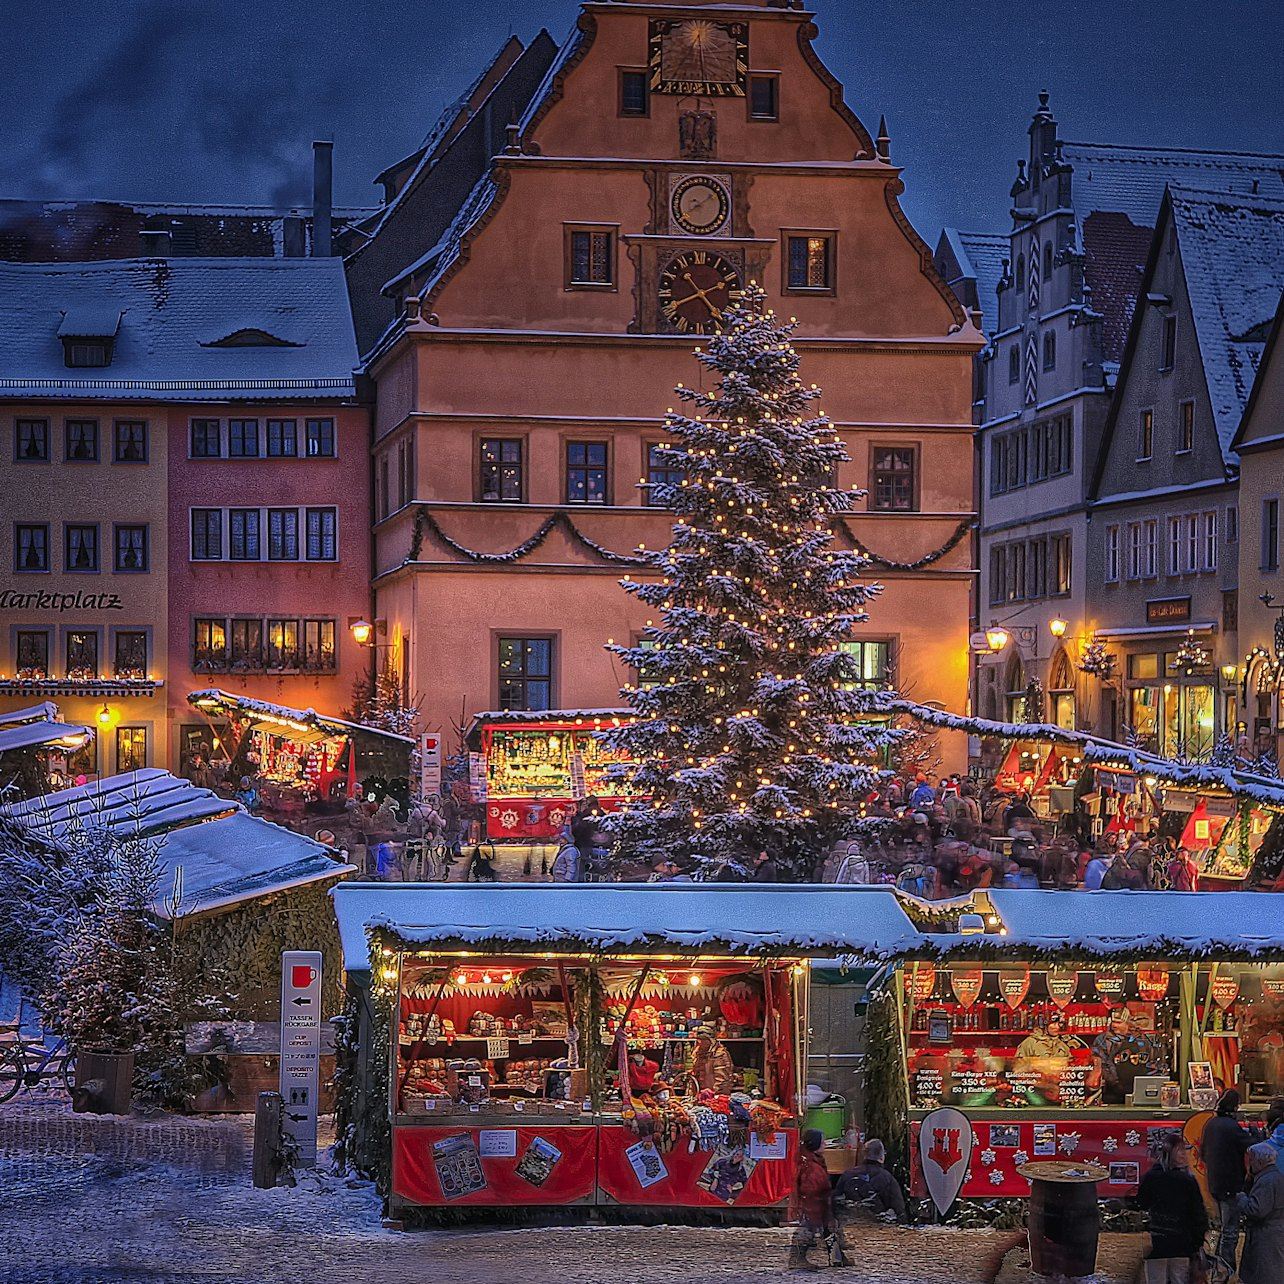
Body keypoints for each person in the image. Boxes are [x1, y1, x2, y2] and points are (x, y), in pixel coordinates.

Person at [1136, 1132, 1209, 1284]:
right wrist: (1198, 1241)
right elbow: (1198, 1213)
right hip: (1181, 1240)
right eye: (1181, 1150)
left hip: (1157, 1238)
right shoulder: (1187, 1180)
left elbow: (1141, 1203)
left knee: (1156, 1278)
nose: (1184, 1155)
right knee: (1179, 1278)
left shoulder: (1151, 1177)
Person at [1204, 1089, 1253, 1277]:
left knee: (1221, 1226)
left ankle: (1218, 1265)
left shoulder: (1211, 1124)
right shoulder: (1232, 1127)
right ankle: (1225, 1269)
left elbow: (1203, 1154)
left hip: (1214, 1183)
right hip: (1229, 1185)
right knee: (1230, 1229)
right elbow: (1251, 1144)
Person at [788, 1128, 839, 1272]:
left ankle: (837, 1257)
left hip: (818, 1202)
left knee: (829, 1228)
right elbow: (810, 1188)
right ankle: (797, 1258)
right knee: (808, 1230)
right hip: (813, 1204)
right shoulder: (810, 1165)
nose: (825, 1144)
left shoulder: (812, 1161)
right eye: (822, 1141)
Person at [1237, 1142, 1284, 1284]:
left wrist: (1242, 1198)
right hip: (1275, 1233)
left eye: (1250, 1159)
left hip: (1266, 1237)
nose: (1249, 1164)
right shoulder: (1276, 1177)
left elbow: (1256, 1210)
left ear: (1259, 1161)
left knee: (1266, 1274)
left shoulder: (1266, 1181)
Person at [835, 1138, 906, 1223]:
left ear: (864, 1155)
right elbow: (899, 1210)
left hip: (851, 1227)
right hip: (878, 1229)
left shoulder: (847, 1175)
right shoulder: (888, 1179)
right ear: (881, 1157)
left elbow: (836, 1203)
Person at [691, 1025, 735, 1094]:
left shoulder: (719, 1054)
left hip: (714, 1096)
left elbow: (722, 1080)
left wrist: (713, 1095)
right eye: (698, 1040)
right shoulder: (696, 1053)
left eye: (703, 1040)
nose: (700, 1042)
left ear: (710, 1041)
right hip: (699, 1095)